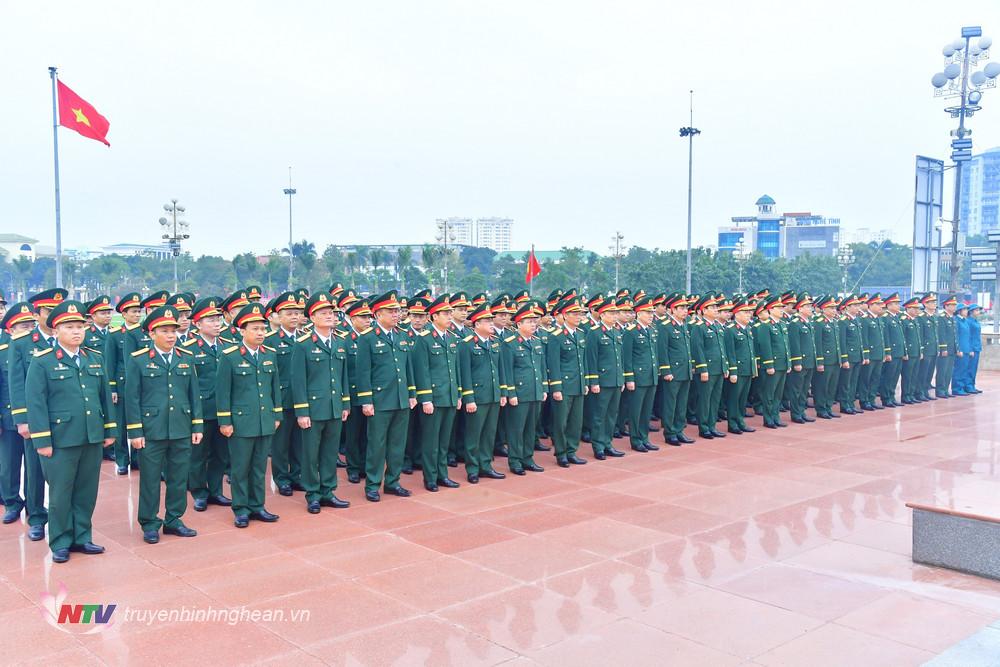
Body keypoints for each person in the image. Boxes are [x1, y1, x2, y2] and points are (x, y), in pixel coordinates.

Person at [25, 300, 116, 563]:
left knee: (86, 490)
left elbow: (103, 398)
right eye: (69, 327)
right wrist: (42, 439)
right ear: (55, 331)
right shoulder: (42, 361)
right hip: (60, 438)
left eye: (80, 326)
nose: (76, 331)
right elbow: (36, 403)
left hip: (91, 434)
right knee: (61, 492)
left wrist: (109, 429)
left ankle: (82, 537)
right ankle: (61, 540)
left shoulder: (94, 358)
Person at [124, 305, 203, 544]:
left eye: (173, 331)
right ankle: (149, 522)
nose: (171, 335)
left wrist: (197, 426)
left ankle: (174, 520)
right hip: (152, 430)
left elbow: (193, 394)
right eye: (165, 331)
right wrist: (135, 431)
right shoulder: (138, 360)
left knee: (179, 477)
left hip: (180, 426)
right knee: (149, 479)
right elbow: (132, 397)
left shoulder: (185, 357)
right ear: (152, 333)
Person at [9, 288, 69, 541]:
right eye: (48, 311)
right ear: (37, 314)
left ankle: (65, 519)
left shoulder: (69, 339)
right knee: (34, 469)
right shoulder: (22, 343)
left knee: (65, 471)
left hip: (66, 417)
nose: (53, 315)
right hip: (38, 418)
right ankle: (36, 516)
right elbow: (16, 382)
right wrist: (22, 419)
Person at [216, 303, 283, 528]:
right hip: (241, 422)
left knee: (259, 466)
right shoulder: (230, 356)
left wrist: (277, 415)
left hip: (265, 420)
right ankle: (241, 509)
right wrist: (225, 421)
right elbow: (223, 391)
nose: (260, 333)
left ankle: (258, 506)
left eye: (263, 329)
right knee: (240, 467)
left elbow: (275, 387)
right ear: (242, 331)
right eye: (255, 329)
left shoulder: (270, 354)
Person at [291, 293, 351, 513]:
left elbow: (342, 376)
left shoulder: (339, 342)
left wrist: (345, 404)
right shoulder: (303, 345)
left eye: (331, 313)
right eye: (323, 313)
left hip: (334, 406)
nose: (329, 316)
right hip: (313, 409)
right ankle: (312, 494)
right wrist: (302, 411)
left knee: (329, 452)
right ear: (312, 317)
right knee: (310, 454)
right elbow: (298, 381)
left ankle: (328, 490)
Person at [355, 291, 417, 502]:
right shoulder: (368, 338)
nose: (396, 314)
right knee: (377, 444)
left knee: (397, 444)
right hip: (380, 401)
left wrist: (411, 393)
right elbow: (362, 373)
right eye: (391, 311)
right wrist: (366, 400)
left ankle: (393, 482)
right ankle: (372, 484)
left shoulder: (402, 335)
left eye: (397, 311)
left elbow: (408, 368)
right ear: (378, 314)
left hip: (400, 399)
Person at [183, 297, 232, 512]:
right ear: (197, 323)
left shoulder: (229, 347)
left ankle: (215, 490)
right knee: (198, 455)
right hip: (201, 411)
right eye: (210, 319)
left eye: (218, 318)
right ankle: (199, 492)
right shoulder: (188, 349)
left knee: (221, 454)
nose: (216, 323)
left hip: (224, 410)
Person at [411, 294, 462, 491]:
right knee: (431, 441)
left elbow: (455, 369)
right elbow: (422, 371)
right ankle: (430, 477)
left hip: (449, 396)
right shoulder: (424, 340)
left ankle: (442, 475)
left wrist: (458, 394)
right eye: (445, 314)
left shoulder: (451, 339)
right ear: (433, 317)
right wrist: (425, 399)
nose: (450, 317)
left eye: (450, 313)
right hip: (433, 398)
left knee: (444, 441)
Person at [459, 303, 508, 481]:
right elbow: (465, 374)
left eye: (490, 320)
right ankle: (472, 469)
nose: (491, 324)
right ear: (477, 324)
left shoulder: (495, 343)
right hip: (477, 397)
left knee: (489, 433)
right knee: (474, 434)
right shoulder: (467, 345)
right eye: (487, 321)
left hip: (493, 395)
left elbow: (500, 369)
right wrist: (469, 398)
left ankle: (486, 465)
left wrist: (503, 392)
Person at [501, 303, 549, 474]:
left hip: (535, 392)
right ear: (519, 324)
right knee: (516, 429)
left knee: (530, 428)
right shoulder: (510, 344)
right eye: (529, 321)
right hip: (519, 394)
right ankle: (515, 461)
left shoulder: (537, 342)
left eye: (534, 321)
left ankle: (528, 458)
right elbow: (506, 370)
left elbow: (541, 368)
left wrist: (544, 388)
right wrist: (511, 392)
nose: (533, 324)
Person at [0, 303, 36, 523]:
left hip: (35, 417)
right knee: (9, 463)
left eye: (31, 325)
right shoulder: (3, 349)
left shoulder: (40, 348)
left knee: (34, 467)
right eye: (23, 326)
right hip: (8, 416)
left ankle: (34, 506)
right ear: (11, 329)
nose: (29, 330)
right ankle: (12, 502)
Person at [267, 292, 306, 496]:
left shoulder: (307, 338)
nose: (294, 317)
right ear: (279, 316)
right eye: (289, 313)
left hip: (303, 400)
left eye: (297, 313)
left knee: (299, 442)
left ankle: (297, 475)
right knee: (280, 444)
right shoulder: (271, 340)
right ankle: (281, 478)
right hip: (281, 399)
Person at [545, 297, 588, 466]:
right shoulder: (556, 336)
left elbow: (582, 361)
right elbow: (553, 363)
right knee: (561, 421)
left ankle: (572, 450)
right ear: (564, 315)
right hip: (563, 385)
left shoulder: (581, 334)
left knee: (575, 421)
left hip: (578, 384)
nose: (578, 317)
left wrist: (584, 383)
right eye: (575, 314)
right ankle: (561, 453)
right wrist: (556, 387)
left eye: (580, 314)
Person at [105, 292, 143, 473]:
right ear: (124, 313)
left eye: (139, 311)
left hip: (140, 385)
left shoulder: (145, 333)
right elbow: (109, 363)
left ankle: (137, 459)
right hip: (121, 384)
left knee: (138, 422)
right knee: (120, 425)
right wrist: (111, 387)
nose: (137, 315)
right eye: (134, 312)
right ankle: (122, 460)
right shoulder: (114, 335)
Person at [584, 298, 626, 458]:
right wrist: (593, 381)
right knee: (599, 415)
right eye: (611, 313)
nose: (615, 316)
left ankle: (608, 443)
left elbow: (619, 358)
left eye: (616, 313)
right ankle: (598, 446)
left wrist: (621, 378)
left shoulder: (616, 332)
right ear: (602, 314)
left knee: (611, 414)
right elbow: (591, 358)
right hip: (602, 380)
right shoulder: (594, 333)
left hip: (615, 380)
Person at [341, 296, 372, 485]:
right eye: (363, 317)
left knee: (368, 434)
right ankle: (353, 467)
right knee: (353, 434)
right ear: (352, 319)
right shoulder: (345, 340)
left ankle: (365, 466)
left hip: (370, 393)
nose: (367, 320)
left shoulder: (371, 339)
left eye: (369, 317)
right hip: (353, 394)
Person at [622, 296, 659, 452]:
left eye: (652, 312)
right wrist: (629, 378)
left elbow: (654, 354)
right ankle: (636, 439)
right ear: (638, 313)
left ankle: (644, 437)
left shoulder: (651, 330)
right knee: (636, 410)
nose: (651, 315)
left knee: (646, 410)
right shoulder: (631, 332)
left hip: (651, 376)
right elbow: (627, 357)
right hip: (638, 377)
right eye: (647, 312)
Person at [656, 293, 694, 446]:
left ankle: (679, 430)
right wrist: (666, 371)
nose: (685, 311)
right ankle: (670, 432)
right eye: (682, 308)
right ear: (673, 309)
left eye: (686, 308)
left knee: (681, 403)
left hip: (684, 371)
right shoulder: (665, 326)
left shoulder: (683, 325)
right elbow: (662, 350)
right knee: (671, 403)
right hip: (673, 372)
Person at [690, 295, 728, 439]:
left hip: (719, 368)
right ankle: (704, 427)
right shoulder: (699, 328)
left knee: (715, 399)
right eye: (712, 307)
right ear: (704, 310)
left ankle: (712, 426)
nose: (716, 309)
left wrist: (725, 367)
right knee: (705, 399)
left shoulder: (717, 326)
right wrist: (703, 368)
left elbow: (722, 348)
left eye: (716, 307)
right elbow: (698, 349)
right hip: (708, 369)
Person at [726, 298, 758, 433]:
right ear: (737, 314)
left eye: (749, 312)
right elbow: (730, 352)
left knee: (742, 398)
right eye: (745, 312)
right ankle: (733, 423)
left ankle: (740, 421)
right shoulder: (731, 330)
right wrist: (733, 371)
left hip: (747, 369)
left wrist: (753, 368)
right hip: (738, 370)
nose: (748, 314)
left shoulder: (748, 329)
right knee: (734, 398)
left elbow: (751, 351)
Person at [786, 294, 817, 424]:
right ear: (800, 308)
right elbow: (795, 344)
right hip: (801, 362)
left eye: (810, 306)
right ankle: (796, 413)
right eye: (808, 306)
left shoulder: (808, 323)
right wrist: (797, 361)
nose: (811, 309)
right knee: (796, 389)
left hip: (809, 361)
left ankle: (801, 411)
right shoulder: (795, 324)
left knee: (804, 389)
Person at [879, 293, 905, 407]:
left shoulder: (896, 318)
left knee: (895, 376)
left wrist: (904, 351)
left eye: (898, 304)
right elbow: (886, 336)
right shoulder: (885, 318)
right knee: (888, 376)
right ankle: (886, 398)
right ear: (888, 305)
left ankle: (891, 396)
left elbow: (901, 337)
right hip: (892, 352)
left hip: (899, 352)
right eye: (895, 304)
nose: (898, 306)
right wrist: (888, 352)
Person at [900, 297, 924, 404]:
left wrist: (920, 351)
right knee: (907, 375)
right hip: (909, 353)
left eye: (917, 308)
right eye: (914, 308)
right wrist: (905, 352)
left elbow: (919, 338)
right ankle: (905, 395)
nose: (917, 310)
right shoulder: (904, 320)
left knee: (914, 375)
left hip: (916, 352)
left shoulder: (915, 320)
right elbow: (903, 338)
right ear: (908, 308)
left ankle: (911, 394)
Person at [935, 295, 958, 398]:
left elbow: (954, 335)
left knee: (949, 371)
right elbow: (941, 334)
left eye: (955, 305)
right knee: (942, 370)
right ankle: (940, 390)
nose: (954, 307)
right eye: (952, 305)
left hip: (952, 349)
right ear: (946, 306)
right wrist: (943, 348)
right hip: (945, 349)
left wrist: (957, 348)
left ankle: (945, 389)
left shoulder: (952, 318)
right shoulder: (942, 318)